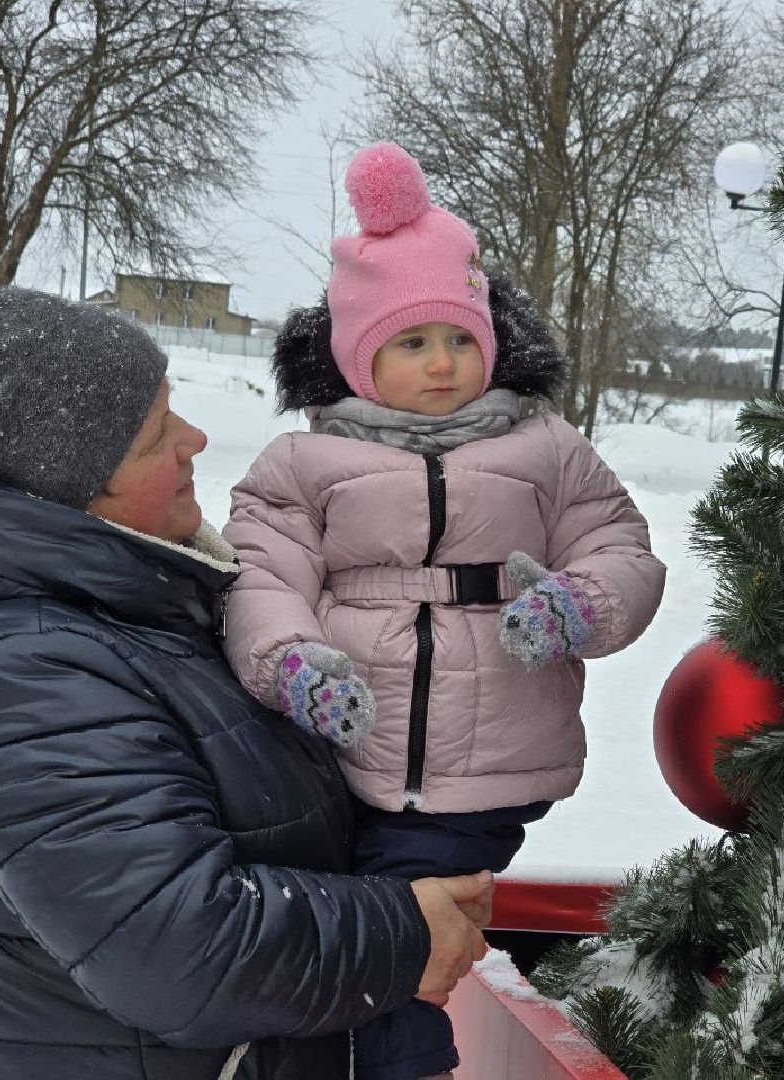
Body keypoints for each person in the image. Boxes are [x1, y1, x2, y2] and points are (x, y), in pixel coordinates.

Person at [0, 286, 492, 1080]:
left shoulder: (127, 607)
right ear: (66, 490)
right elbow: (178, 945)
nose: (195, 438)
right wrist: (403, 932)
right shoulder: (17, 677)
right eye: (156, 435)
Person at [222, 142, 667, 1080]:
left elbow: (621, 548)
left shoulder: (544, 448)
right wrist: (292, 661)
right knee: (333, 926)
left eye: (461, 339)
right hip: (339, 747)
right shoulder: (303, 466)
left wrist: (578, 605)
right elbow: (262, 579)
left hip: (485, 758)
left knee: (399, 925)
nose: (442, 364)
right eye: (412, 344)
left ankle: (408, 1067)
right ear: (358, 355)